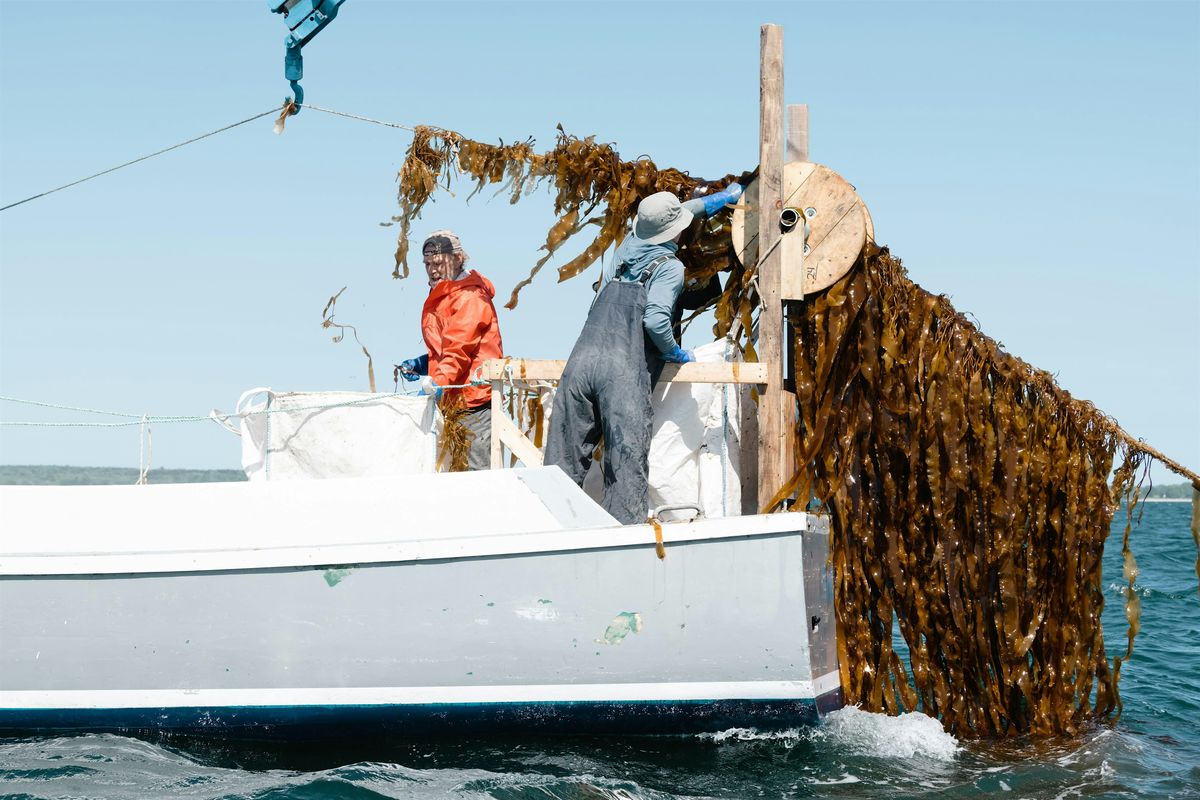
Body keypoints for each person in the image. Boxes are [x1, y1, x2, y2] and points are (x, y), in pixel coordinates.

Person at [544, 185, 741, 523]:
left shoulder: (623, 250)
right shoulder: (670, 268)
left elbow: (679, 214)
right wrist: (675, 352)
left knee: (562, 462)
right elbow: (655, 320)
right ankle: (623, 544)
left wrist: (713, 201)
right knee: (625, 467)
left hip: (581, 361)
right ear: (675, 232)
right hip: (621, 373)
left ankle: (550, 532)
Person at [397, 230, 503, 471]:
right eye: (427, 264)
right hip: (453, 403)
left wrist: (438, 382)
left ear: (457, 259)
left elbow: (458, 351)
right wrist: (424, 364)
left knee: (477, 477)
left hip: (476, 404)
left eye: (438, 263)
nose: (432, 269)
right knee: (451, 477)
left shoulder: (470, 297)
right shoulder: (445, 295)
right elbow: (448, 346)